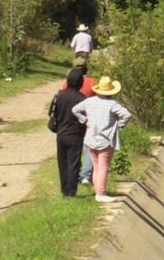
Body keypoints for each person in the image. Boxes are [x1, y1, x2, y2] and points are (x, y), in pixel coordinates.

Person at [72, 76, 131, 203]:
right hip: (106, 139)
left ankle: (98, 191)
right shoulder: (112, 104)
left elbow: (75, 109)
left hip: (90, 138)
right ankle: (101, 193)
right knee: (103, 167)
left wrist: (85, 120)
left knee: (96, 167)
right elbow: (126, 115)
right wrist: (119, 125)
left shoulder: (89, 101)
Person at [60, 57, 96, 183]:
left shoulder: (66, 84)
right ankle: (86, 175)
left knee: (72, 152)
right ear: (86, 67)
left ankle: (74, 174)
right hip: (88, 121)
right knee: (88, 149)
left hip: (70, 122)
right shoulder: (93, 82)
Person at [53, 68, 87, 197]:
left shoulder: (60, 95)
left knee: (62, 162)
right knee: (73, 162)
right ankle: (71, 191)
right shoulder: (82, 98)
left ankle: (64, 189)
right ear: (80, 83)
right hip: (75, 133)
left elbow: (55, 114)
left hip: (61, 133)